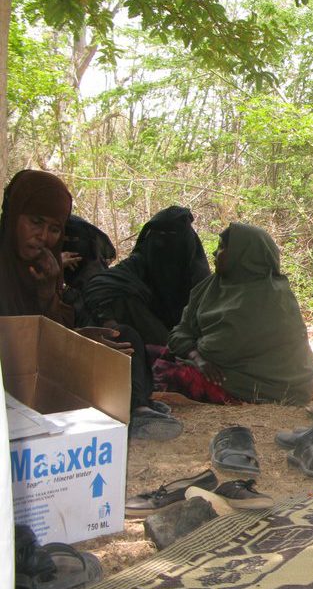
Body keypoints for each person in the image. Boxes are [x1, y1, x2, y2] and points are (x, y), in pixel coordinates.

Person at [0, 169, 182, 440]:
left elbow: (51, 329)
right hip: (11, 379)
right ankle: (131, 407)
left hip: (41, 368)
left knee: (124, 337)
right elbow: (20, 338)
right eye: (35, 222)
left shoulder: (46, 268)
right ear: (14, 217)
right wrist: (65, 341)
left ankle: (138, 408)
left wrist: (72, 330)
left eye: (54, 229)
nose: (43, 237)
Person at [161, 222, 313, 405]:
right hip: (208, 364)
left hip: (266, 383)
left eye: (221, 247)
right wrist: (196, 356)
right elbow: (179, 331)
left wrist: (195, 350)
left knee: (162, 375)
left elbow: (219, 351)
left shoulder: (270, 296)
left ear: (243, 255)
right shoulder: (212, 286)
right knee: (144, 355)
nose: (214, 253)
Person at [84, 206, 209, 345]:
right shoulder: (141, 261)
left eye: (173, 236)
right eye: (159, 236)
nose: (164, 244)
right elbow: (99, 284)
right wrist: (108, 321)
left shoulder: (199, 275)